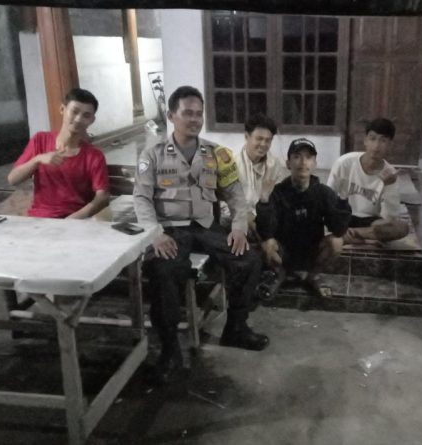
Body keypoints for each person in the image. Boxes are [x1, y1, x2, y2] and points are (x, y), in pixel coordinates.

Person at [134, 86, 268, 383]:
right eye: (187, 113)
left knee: (248, 260)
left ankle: (236, 328)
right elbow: (141, 199)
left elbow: (235, 196)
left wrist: (238, 228)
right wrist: (155, 234)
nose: (194, 119)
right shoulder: (153, 154)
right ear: (171, 115)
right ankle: (170, 351)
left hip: (207, 227)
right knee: (162, 270)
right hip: (170, 229)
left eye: (199, 113)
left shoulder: (217, 154)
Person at [256, 138, 351, 304]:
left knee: (336, 242)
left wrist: (342, 201)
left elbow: (338, 229)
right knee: (267, 243)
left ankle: (313, 276)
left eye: (308, 157)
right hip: (284, 251)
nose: (303, 162)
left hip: (312, 251)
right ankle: (279, 274)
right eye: (297, 156)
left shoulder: (323, 193)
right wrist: (264, 200)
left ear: (315, 164)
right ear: (288, 163)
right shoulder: (278, 192)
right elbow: (266, 231)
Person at [8, 88, 109, 218]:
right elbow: (13, 179)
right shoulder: (40, 140)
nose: (78, 119)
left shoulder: (94, 156)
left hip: (74, 220)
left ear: (92, 120)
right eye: (74, 111)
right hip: (39, 219)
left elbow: (102, 197)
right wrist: (37, 160)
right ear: (62, 109)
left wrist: (73, 219)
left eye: (86, 115)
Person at [326, 118, 408, 245]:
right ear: (365, 141)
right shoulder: (345, 162)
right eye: (372, 138)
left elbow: (390, 217)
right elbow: (327, 197)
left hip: (370, 222)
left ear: (390, 145)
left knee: (401, 228)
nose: (376, 146)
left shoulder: (390, 174)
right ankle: (360, 237)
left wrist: (389, 185)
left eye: (383, 140)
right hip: (342, 216)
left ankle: (350, 234)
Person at [222, 113, 288, 235]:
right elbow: (224, 203)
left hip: (265, 220)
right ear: (246, 136)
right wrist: (247, 217)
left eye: (268, 140)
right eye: (259, 139)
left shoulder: (275, 166)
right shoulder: (231, 163)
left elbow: (278, 202)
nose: (263, 144)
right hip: (235, 220)